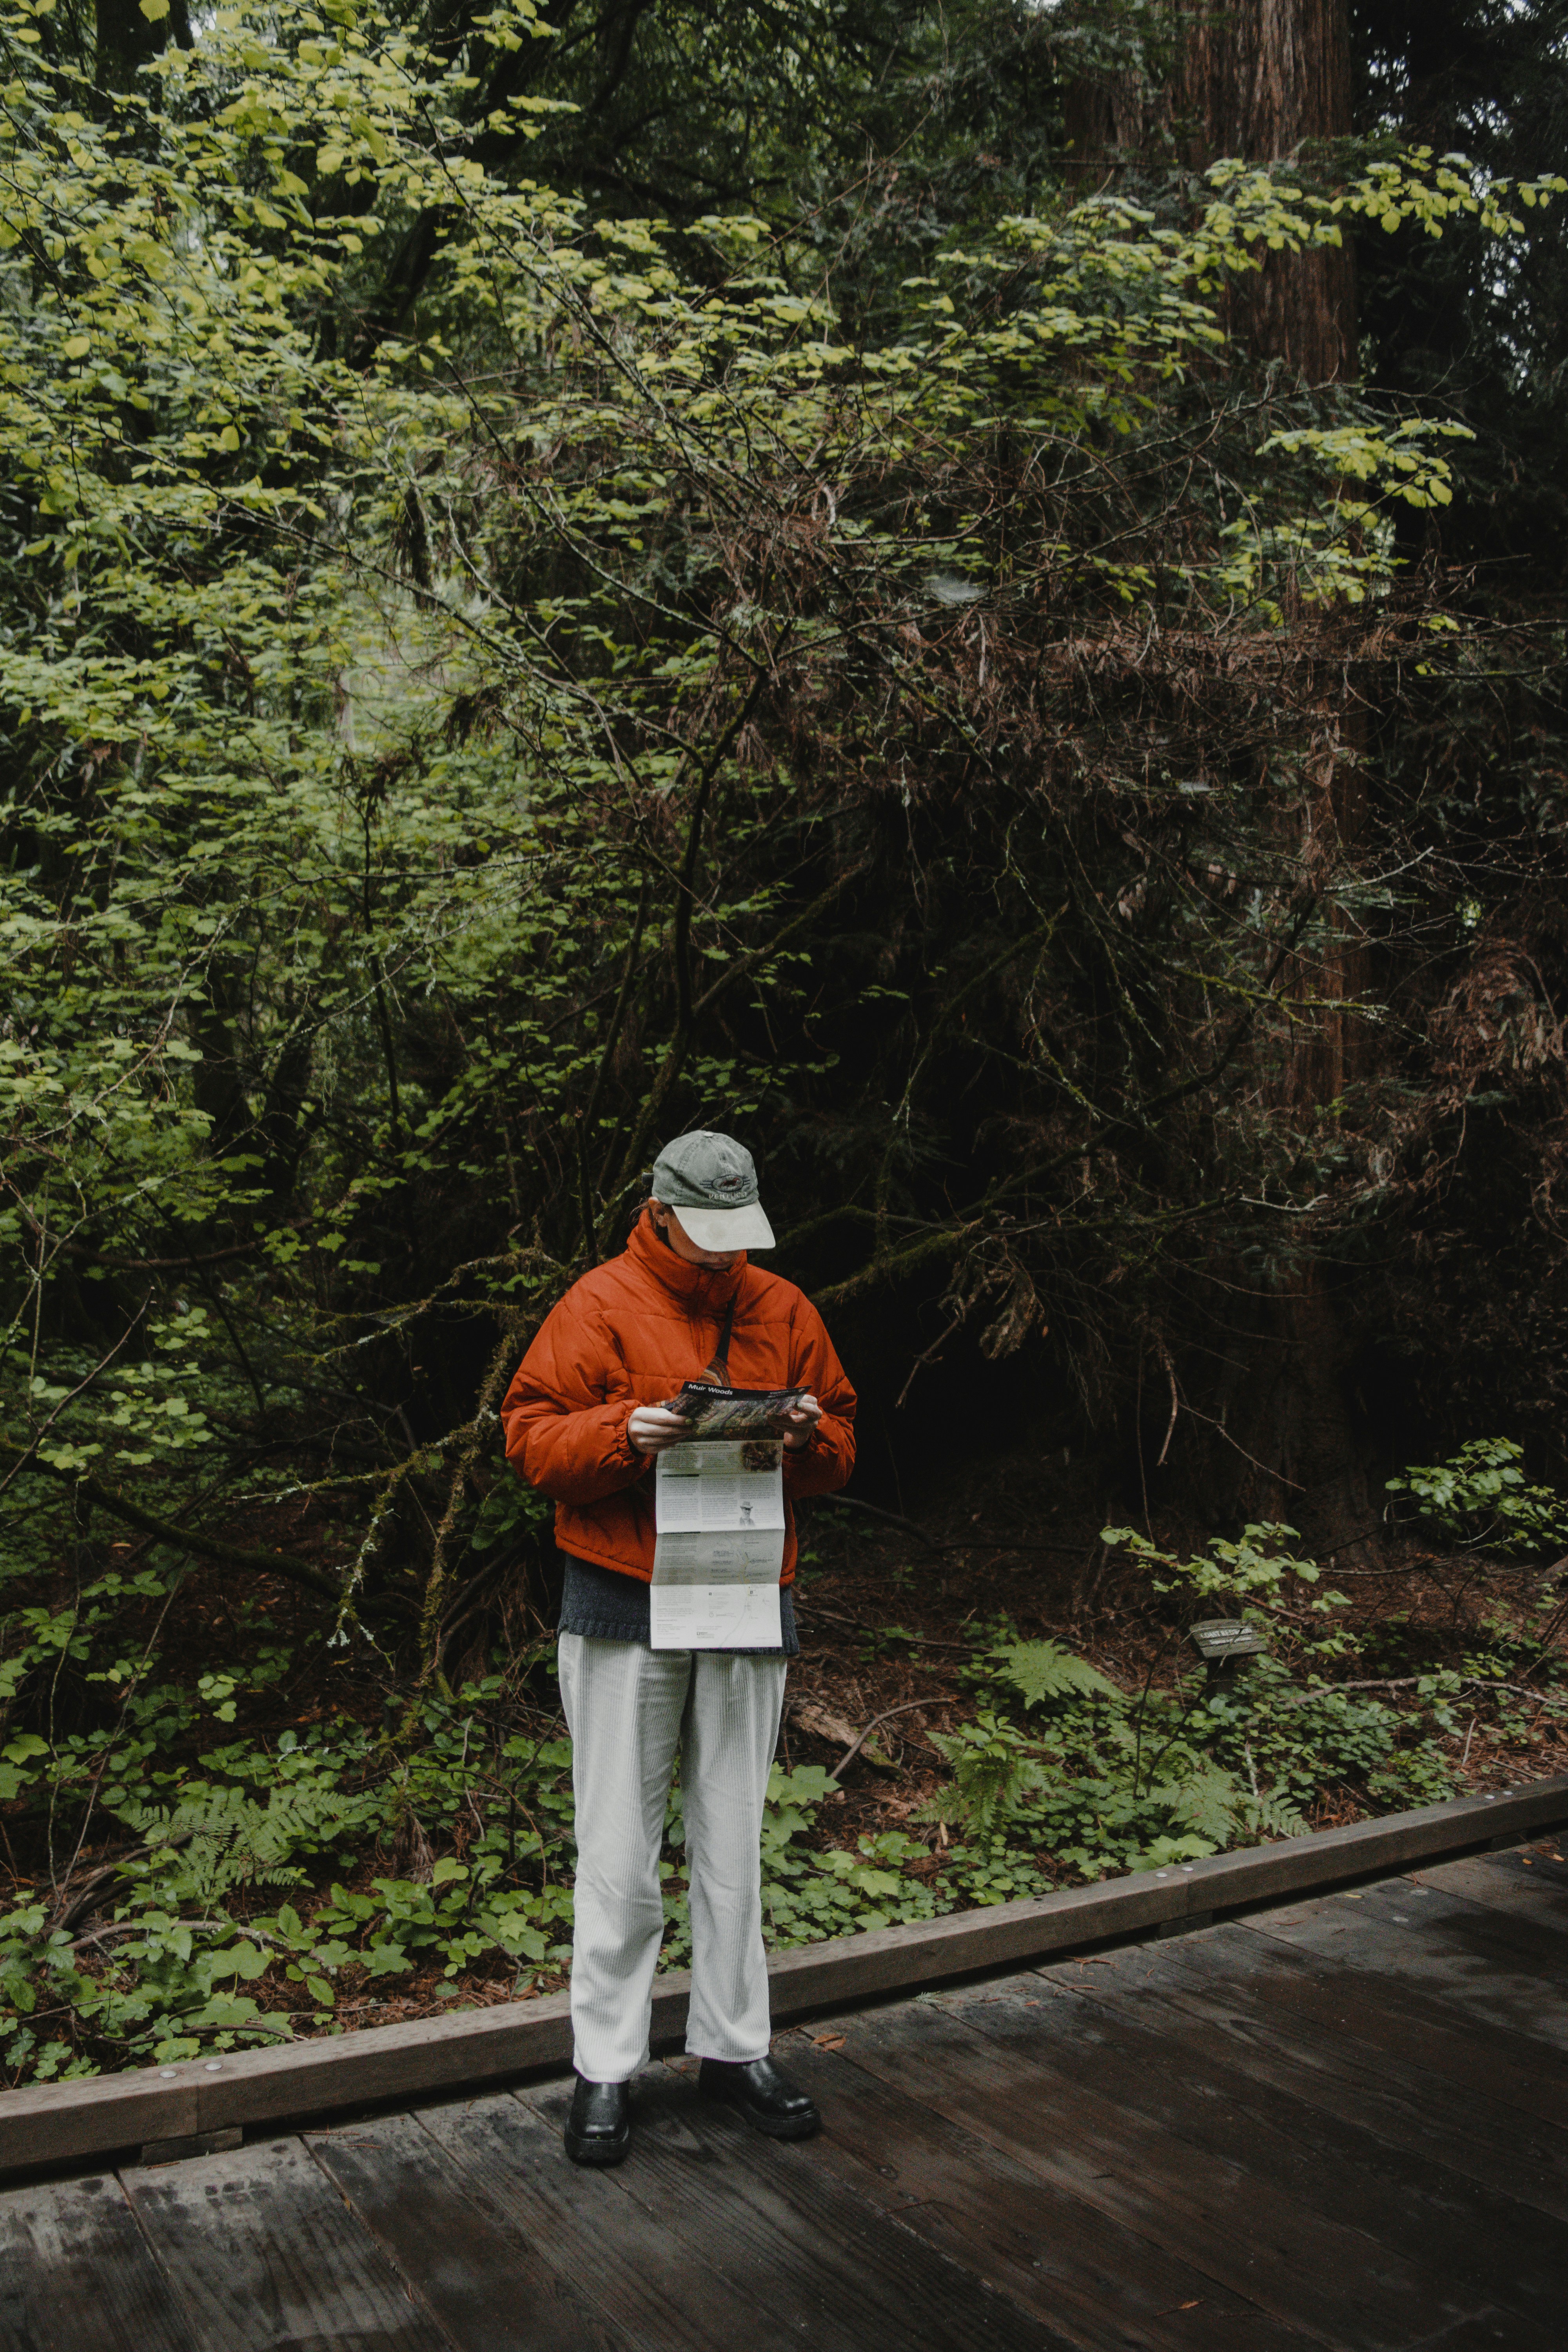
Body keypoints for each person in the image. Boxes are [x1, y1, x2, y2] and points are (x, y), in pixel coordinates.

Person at [500, 1129, 856, 2166]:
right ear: (657, 1213)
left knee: (735, 1838)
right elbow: (529, 1439)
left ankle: (736, 2050)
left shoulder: (783, 1307)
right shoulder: (597, 1304)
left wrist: (805, 1437)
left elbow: (842, 1440)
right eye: (703, 1235)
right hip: (622, 1596)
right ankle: (605, 2068)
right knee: (618, 1848)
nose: (720, 1256)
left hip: (747, 1592)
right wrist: (626, 1433)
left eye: (734, 1236)